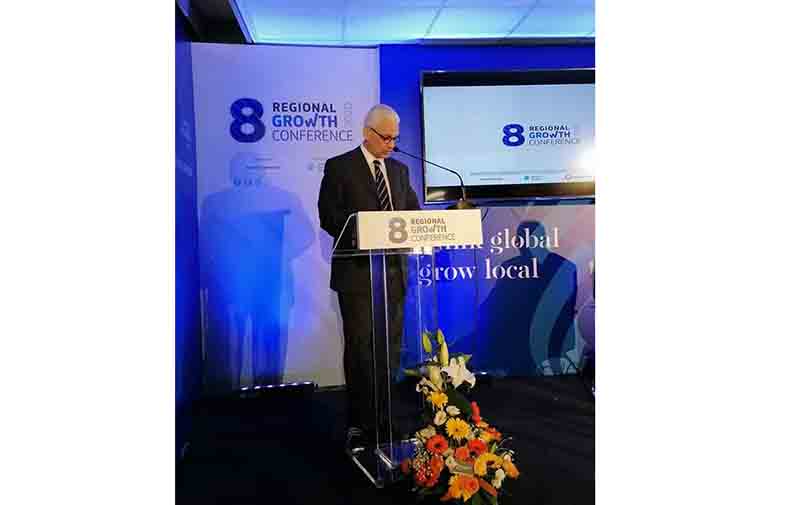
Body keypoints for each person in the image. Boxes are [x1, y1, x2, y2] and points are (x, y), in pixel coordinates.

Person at [317, 104, 421, 447]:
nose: (391, 145)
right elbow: (329, 216)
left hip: (393, 275)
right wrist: (365, 233)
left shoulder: (400, 171)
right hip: (358, 276)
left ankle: (385, 421)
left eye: (395, 139)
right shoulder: (340, 167)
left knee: (389, 353)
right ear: (367, 132)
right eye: (386, 138)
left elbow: (413, 215)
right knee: (361, 352)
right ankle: (360, 424)